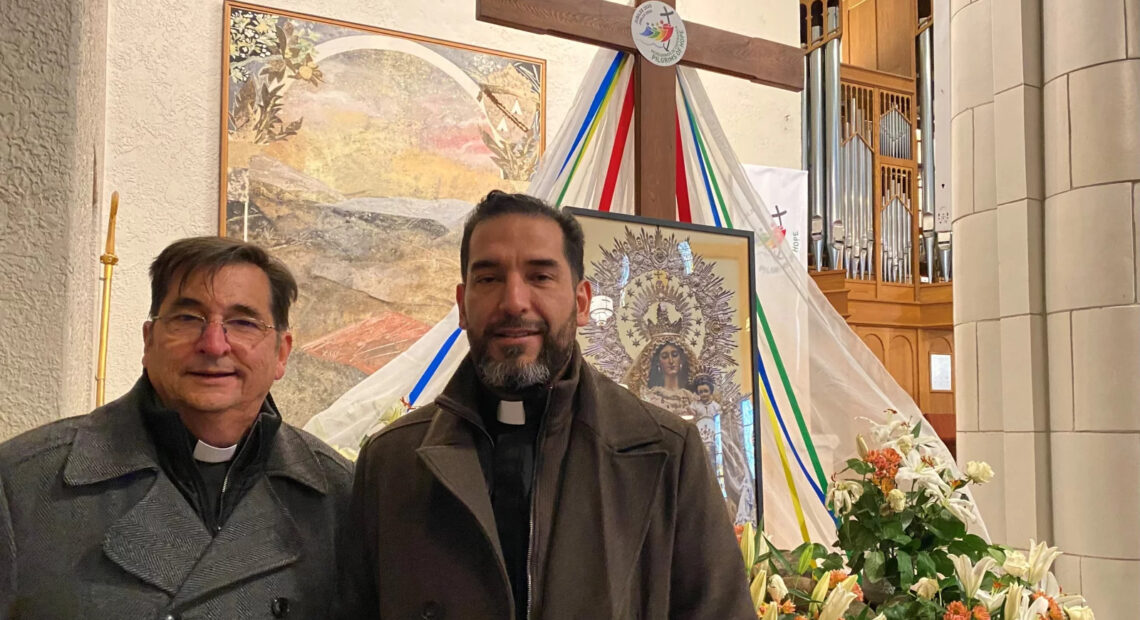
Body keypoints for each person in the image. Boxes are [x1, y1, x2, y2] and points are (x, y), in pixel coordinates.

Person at [336, 190, 754, 619]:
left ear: (581, 301)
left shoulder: (666, 452)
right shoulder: (391, 464)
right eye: (489, 278)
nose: (514, 301)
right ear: (463, 306)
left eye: (540, 277)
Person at [0, 237, 353, 618]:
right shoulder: (22, 485)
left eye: (243, 322)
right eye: (188, 319)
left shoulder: (340, 496)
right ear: (149, 340)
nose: (215, 344)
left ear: (281, 353)